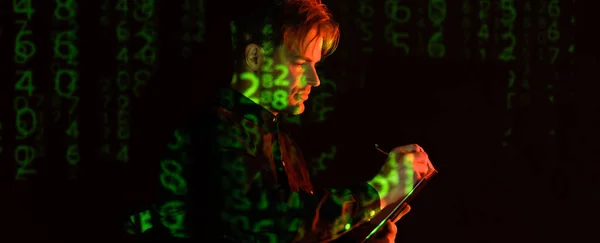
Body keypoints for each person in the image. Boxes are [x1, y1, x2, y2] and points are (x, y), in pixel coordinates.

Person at [125, 0, 436, 242]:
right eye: (301, 64)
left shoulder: (281, 140)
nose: (315, 80)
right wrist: (378, 191)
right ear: (256, 58)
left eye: (314, 65)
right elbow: (271, 224)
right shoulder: (209, 131)